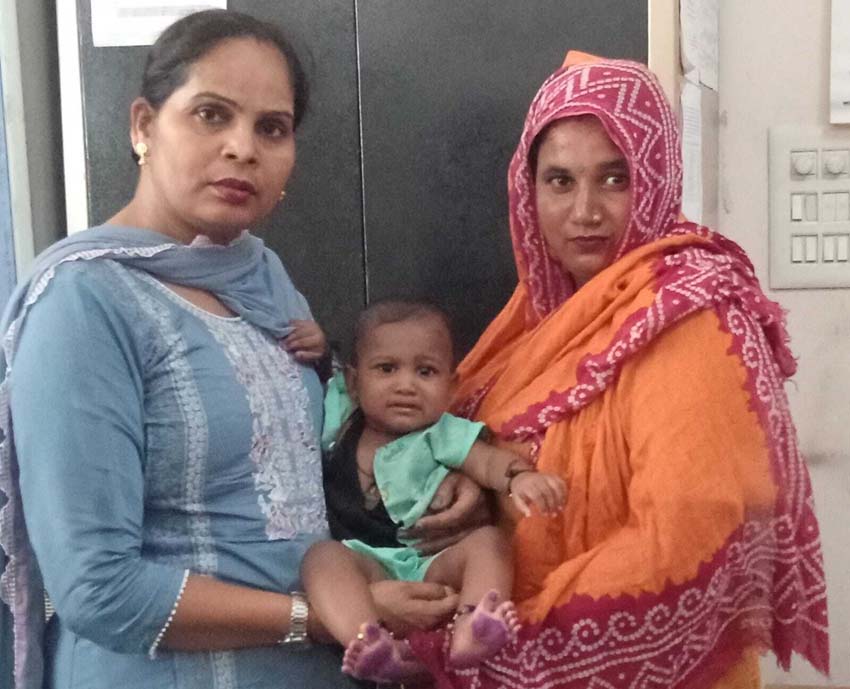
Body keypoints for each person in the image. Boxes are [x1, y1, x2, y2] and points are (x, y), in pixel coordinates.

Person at [0, 10, 471, 689]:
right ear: (143, 126)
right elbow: (98, 587)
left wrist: (428, 480)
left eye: (271, 128)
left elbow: (301, 471)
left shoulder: (262, 278)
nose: (243, 148)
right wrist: (320, 617)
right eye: (211, 115)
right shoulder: (83, 303)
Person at [407, 52, 830, 689]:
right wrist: (475, 482)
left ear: (656, 177)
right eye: (559, 181)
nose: (585, 211)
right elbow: (468, 437)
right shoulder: (535, 320)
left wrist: (501, 657)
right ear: (528, 191)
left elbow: (685, 544)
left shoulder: (692, 320)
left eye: (614, 178)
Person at [302, 300, 565, 684]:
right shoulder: (342, 422)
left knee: (489, 542)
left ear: (451, 386)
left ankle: (473, 625)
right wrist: (319, 350)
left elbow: (486, 462)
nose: (405, 385)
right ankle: (368, 640)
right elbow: (323, 373)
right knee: (321, 556)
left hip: (430, 564)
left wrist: (519, 478)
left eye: (425, 372)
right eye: (386, 369)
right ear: (355, 384)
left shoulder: (442, 434)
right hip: (364, 562)